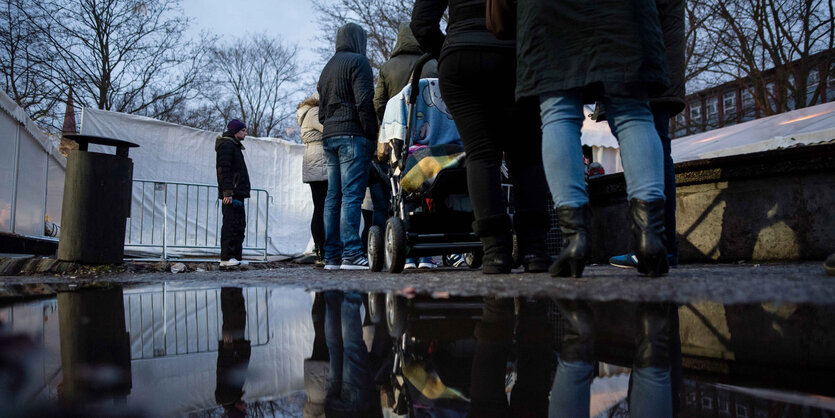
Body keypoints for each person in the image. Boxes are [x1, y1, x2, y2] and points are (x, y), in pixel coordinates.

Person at [516, 0, 671, 278]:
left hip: (548, 12)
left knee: (558, 112)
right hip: (622, 12)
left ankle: (575, 240)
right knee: (632, 111)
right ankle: (650, 237)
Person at [411, 0, 551, 274]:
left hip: (462, 57)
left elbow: (421, 23)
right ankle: (535, 250)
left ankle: (495, 252)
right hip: (517, 54)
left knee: (481, 154)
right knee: (526, 155)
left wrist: (448, 50)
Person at [609, 0, 686, 271]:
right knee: (658, 146)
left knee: (644, 145)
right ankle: (660, 246)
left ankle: (654, 246)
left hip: (643, 61)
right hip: (659, 58)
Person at [317, 23, 379, 270]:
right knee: (352, 196)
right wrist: (371, 135)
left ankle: (331, 256)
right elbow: (365, 102)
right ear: (358, 40)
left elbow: (321, 113)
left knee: (333, 197)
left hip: (329, 136)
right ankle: (352, 254)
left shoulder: (327, 67)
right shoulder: (359, 62)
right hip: (352, 134)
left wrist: (332, 123)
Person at [216, 119, 250, 267]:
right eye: (243, 130)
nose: (245, 132)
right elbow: (223, 169)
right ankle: (227, 257)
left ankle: (236, 256)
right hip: (231, 194)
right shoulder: (227, 145)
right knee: (230, 225)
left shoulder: (234, 146)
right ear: (235, 131)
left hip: (238, 193)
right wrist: (227, 192)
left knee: (239, 225)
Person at [298, 94, 327, 268]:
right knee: (322, 208)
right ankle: (322, 251)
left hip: (313, 162)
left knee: (320, 207)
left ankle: (320, 250)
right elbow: (328, 129)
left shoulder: (305, 113)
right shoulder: (314, 112)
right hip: (320, 163)